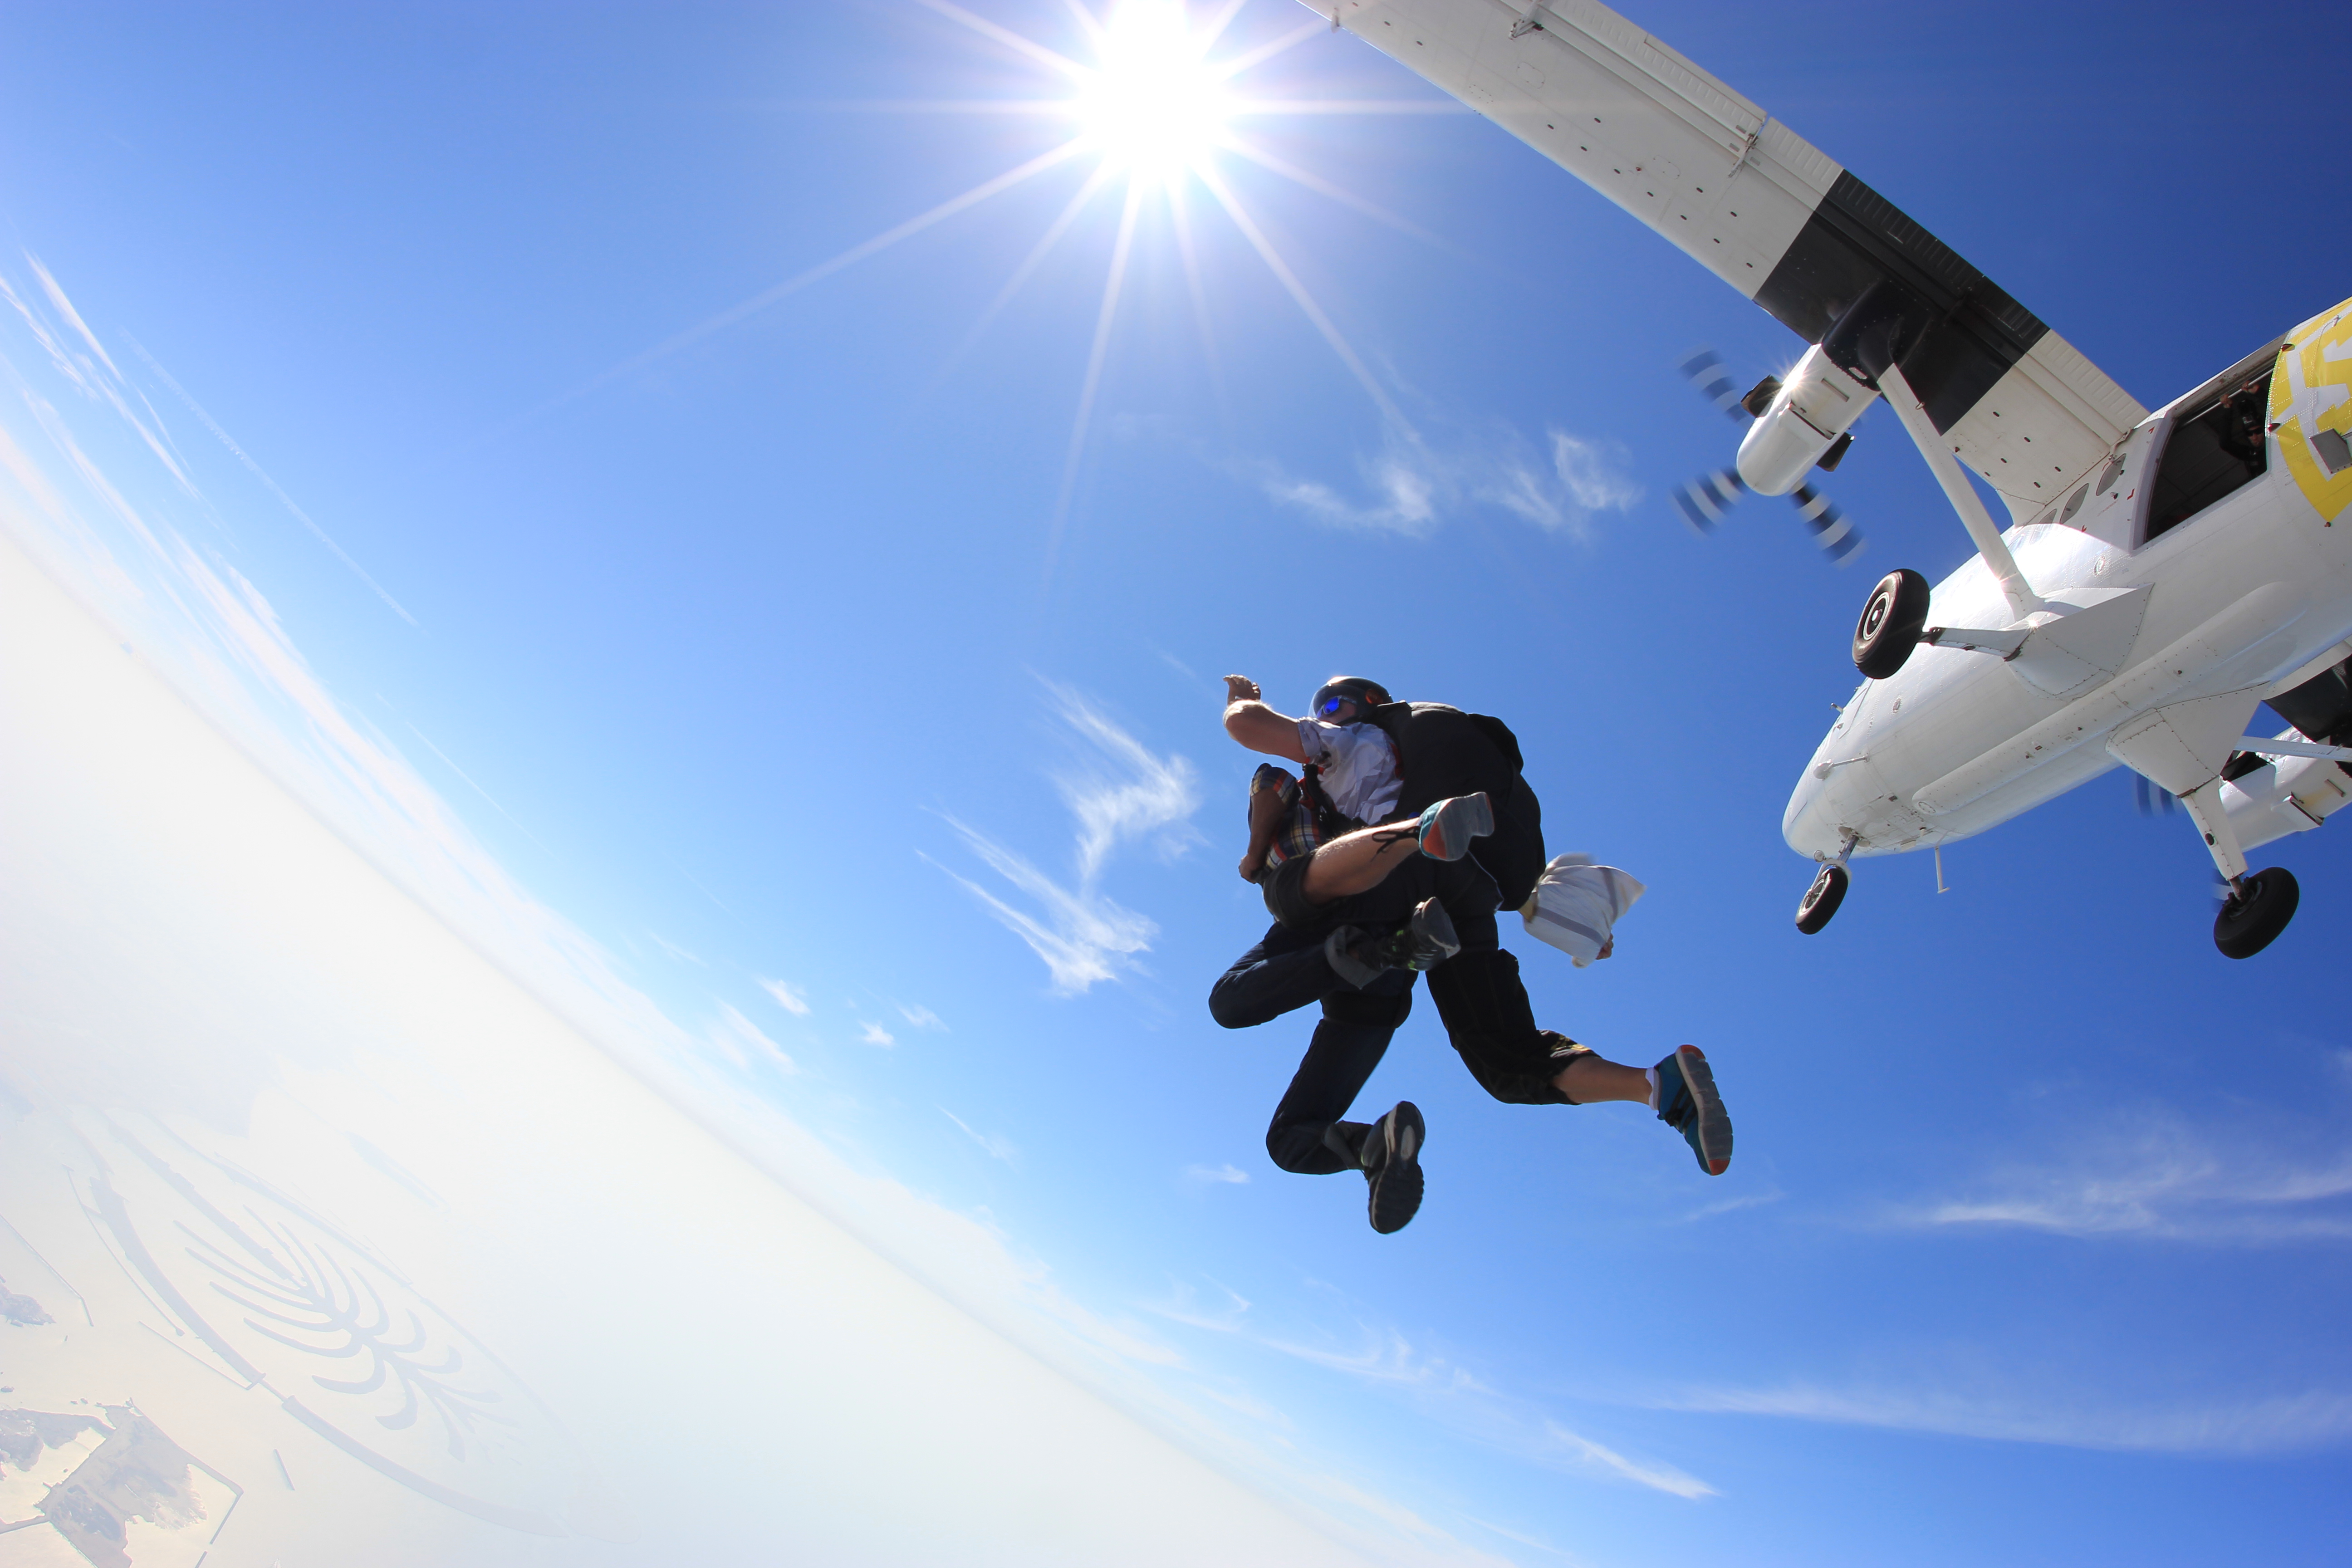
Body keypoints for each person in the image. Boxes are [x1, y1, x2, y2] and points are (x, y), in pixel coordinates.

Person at [1208, 673, 1732, 1235]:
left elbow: (1248, 730)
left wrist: (1243, 703)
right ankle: (1655, 1086)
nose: (1325, 713)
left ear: (1369, 705)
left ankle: (1410, 856)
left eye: (1333, 703)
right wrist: (1585, 929)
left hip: (1389, 886)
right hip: (1463, 905)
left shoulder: (1346, 741)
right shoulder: (1440, 753)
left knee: (1260, 944)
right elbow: (1527, 887)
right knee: (1502, 1062)